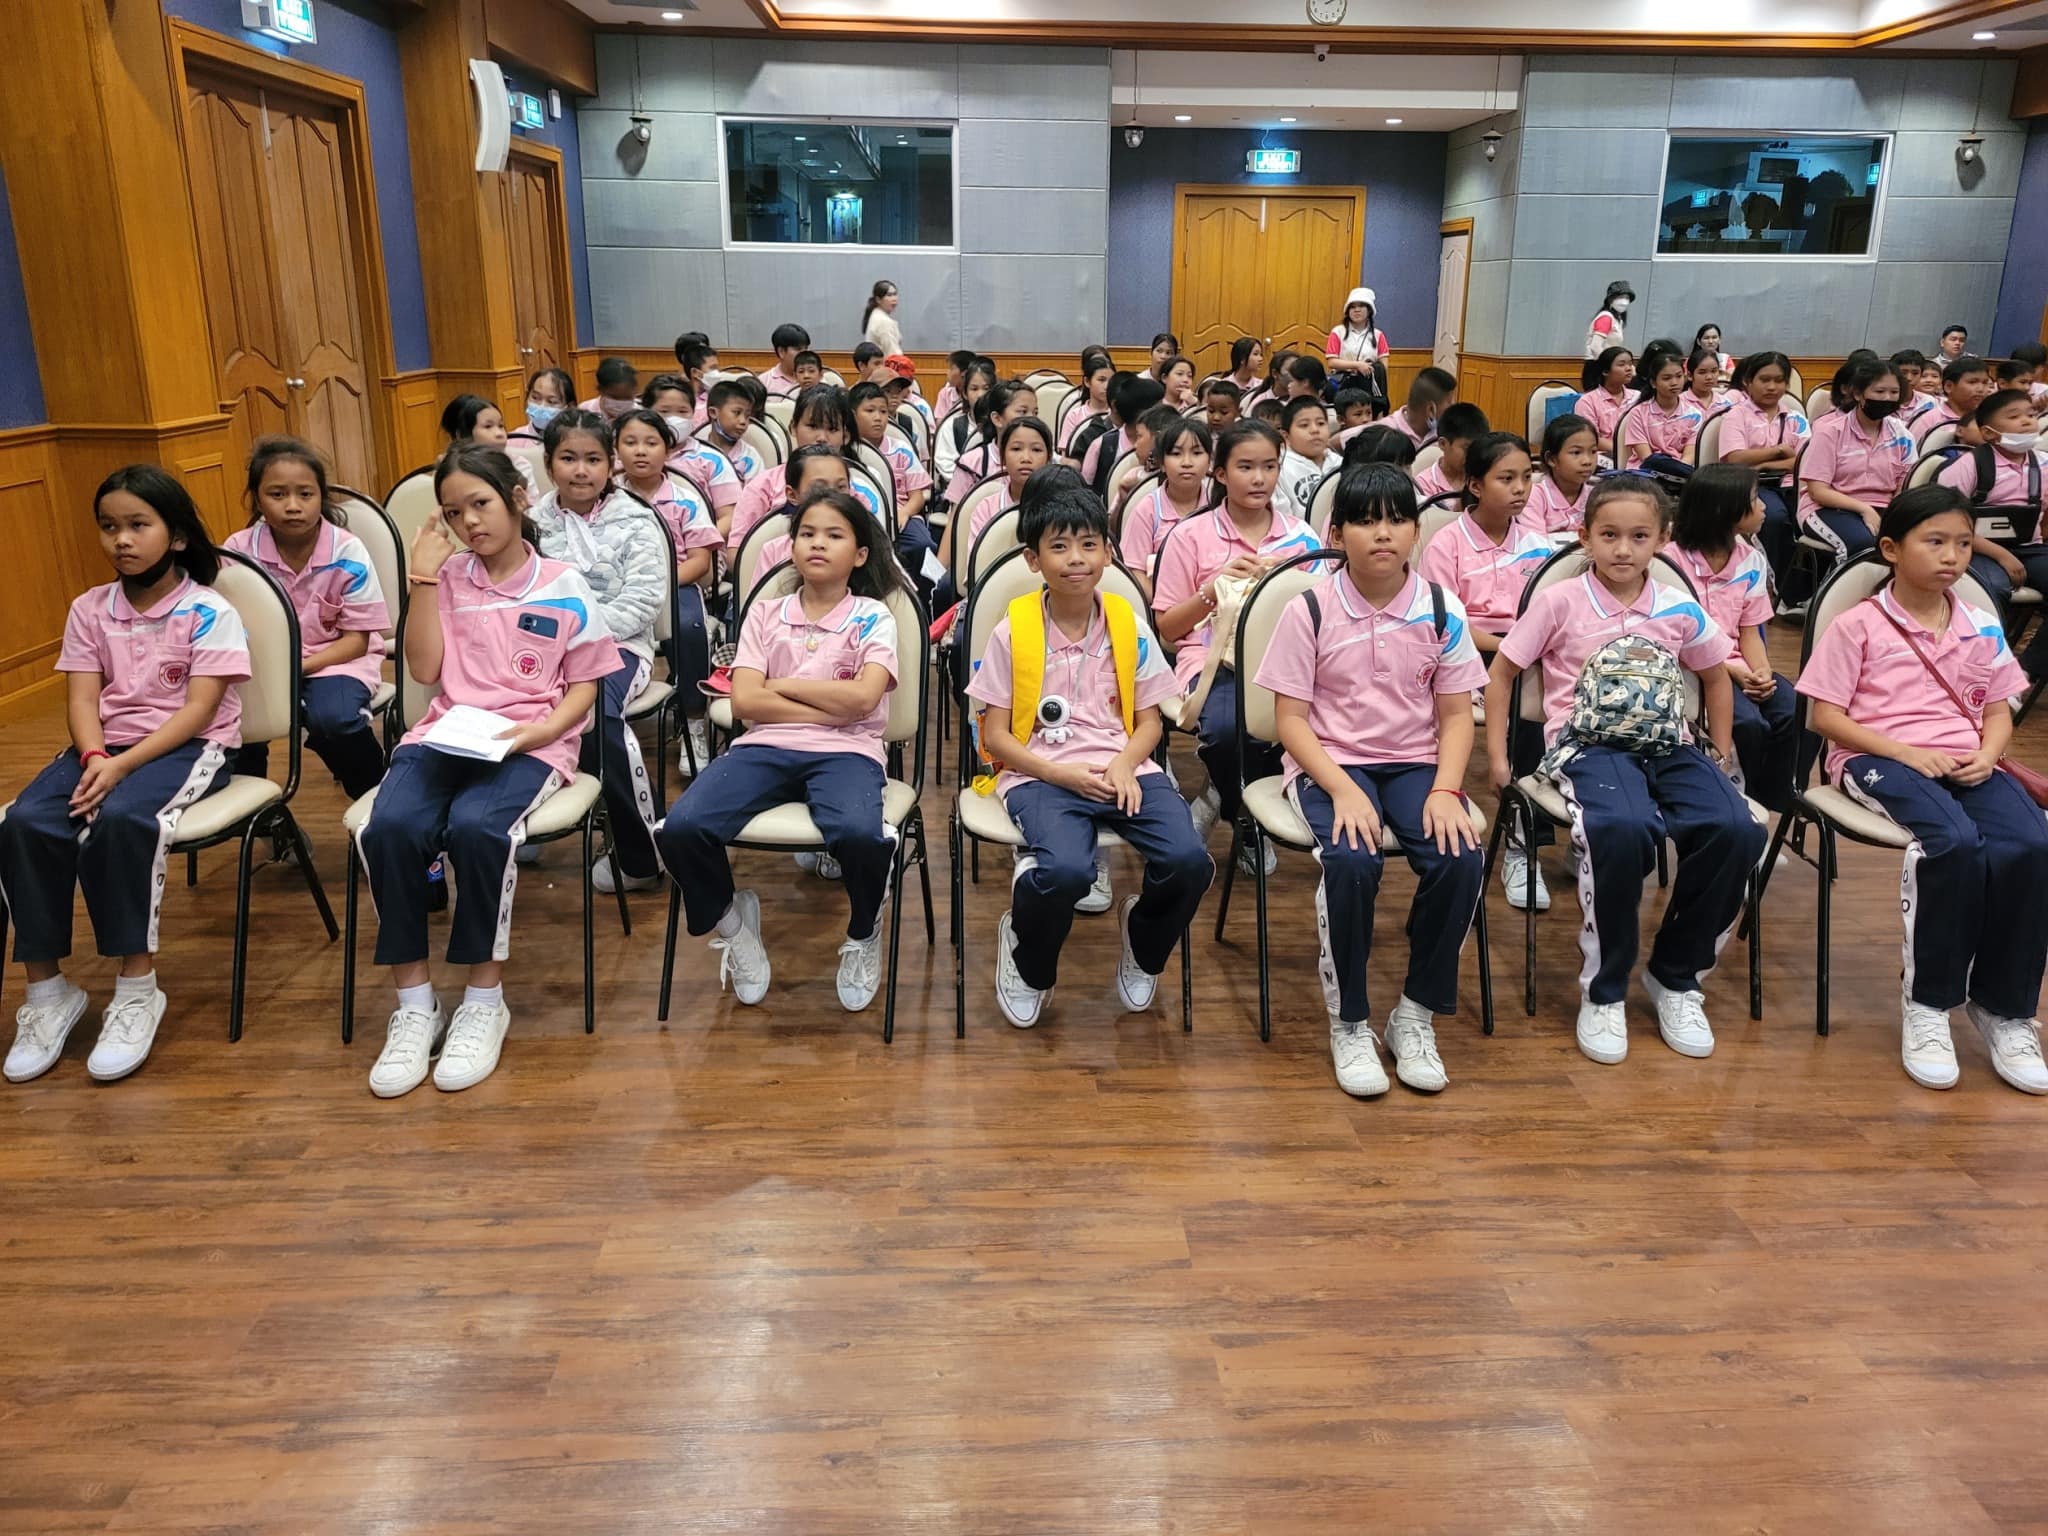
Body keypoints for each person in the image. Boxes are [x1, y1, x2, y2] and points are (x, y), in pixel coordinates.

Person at [358, 445, 616, 1096]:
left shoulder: (561, 583)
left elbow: (585, 685)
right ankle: (415, 1007)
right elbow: (423, 670)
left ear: (518, 500)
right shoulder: (446, 579)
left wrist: (546, 731)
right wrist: (421, 581)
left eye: (480, 504)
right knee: (389, 827)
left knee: (477, 828)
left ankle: (482, 1000)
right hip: (448, 734)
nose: (469, 522)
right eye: (453, 512)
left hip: (532, 741)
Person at [1487, 475, 1762, 1066]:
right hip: (1588, 746)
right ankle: (1605, 990)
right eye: (1608, 535)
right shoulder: (1559, 601)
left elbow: (1716, 676)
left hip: (1669, 744)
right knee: (1621, 827)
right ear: (1584, 537)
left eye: (1639, 536)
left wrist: (1719, 754)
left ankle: (1676, 976)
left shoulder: (1678, 606)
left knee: (1738, 828)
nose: (1622, 549)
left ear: (1662, 539)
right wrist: (1499, 759)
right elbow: (1503, 672)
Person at [0, 466, 249, 1085]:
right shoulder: (89, 608)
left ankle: (137, 989)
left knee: (122, 820)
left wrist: (120, 767)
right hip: (102, 748)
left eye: (138, 525)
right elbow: (83, 699)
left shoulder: (208, 610)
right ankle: (48, 992)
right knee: (24, 822)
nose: (122, 540)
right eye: (109, 527)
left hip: (187, 747)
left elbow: (198, 711)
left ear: (178, 536)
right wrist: (93, 758)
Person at [1797, 484, 2047, 1093]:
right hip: (1876, 757)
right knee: (1952, 843)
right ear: (1891, 549)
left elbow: (1998, 709)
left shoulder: (1980, 623)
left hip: (1966, 758)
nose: (1952, 557)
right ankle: (1929, 1004)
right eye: (1935, 542)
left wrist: (1988, 755)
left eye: (1963, 544)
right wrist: (1906, 752)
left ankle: (2006, 1010)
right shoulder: (1858, 624)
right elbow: (1824, 718)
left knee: (2032, 844)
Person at [1254, 463, 1488, 1096]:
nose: (1382, 533)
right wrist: (1342, 788)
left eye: (1397, 519)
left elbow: (1456, 716)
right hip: (1331, 761)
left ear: (1416, 531)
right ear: (1337, 533)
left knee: (1461, 856)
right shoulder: (1309, 608)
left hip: (1415, 762)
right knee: (1353, 859)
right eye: (1364, 521)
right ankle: (1350, 1022)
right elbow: (1290, 720)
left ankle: (1414, 1014)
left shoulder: (1440, 608)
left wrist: (1446, 789)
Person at [967, 471, 1212, 1029]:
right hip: (1040, 774)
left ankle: (1144, 943)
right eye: (1059, 547)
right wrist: (1061, 775)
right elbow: (996, 736)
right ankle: (1028, 959)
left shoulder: (1129, 625)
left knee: (1188, 861)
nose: (1075, 558)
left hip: (1125, 768)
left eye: (1088, 544)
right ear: (1033, 560)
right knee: (1067, 872)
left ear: (1108, 552)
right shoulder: (1013, 630)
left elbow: (1150, 723)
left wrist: (1124, 763)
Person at [658, 489, 908, 1014]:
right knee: (681, 828)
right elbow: (746, 702)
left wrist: (784, 685)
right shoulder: (766, 613)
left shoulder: (873, 617)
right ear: (791, 546)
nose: (817, 544)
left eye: (834, 535)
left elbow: (864, 700)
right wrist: (830, 705)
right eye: (807, 533)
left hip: (848, 751)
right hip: (764, 746)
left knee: (860, 836)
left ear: (860, 554)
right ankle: (733, 924)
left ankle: (864, 931)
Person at [1153, 420, 1321, 863]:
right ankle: (1245, 815)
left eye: (1269, 466)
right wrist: (1212, 589)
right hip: (1214, 663)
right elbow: (1168, 629)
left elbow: (1325, 617)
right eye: (1245, 467)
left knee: (1322, 726)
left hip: (1289, 665)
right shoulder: (1189, 536)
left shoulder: (1302, 538)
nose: (1259, 478)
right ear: (1221, 474)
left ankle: (1223, 795)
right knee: (1228, 734)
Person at [527, 411, 668, 897]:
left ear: (611, 465)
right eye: (568, 458)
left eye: (593, 459)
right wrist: (552, 645)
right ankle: (525, 817)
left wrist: (578, 639)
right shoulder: (530, 525)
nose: (581, 470)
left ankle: (642, 853)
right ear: (549, 463)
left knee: (592, 716)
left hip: (618, 647)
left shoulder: (637, 521)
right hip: (541, 650)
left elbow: (643, 601)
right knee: (510, 705)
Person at [222, 437, 389, 801]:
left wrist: (299, 668)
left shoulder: (346, 550)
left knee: (334, 719)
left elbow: (356, 641)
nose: (293, 506)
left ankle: (379, 797)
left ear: (321, 496)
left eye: (305, 494)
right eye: (277, 494)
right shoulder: (237, 551)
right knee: (232, 724)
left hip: (337, 661)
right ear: (257, 499)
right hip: (261, 667)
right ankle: (260, 815)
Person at [1668, 464, 1795, 813]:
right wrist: (1735, 672)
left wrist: (1761, 670)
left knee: (1794, 710)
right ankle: (1737, 799)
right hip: (1690, 666)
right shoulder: (1670, 561)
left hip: (1737, 664)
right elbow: (1675, 639)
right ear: (1724, 510)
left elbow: (1750, 631)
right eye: (1755, 499)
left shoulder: (1751, 559)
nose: (1764, 507)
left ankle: (1770, 801)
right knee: (1748, 723)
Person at [614, 409, 722, 771]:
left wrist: (651, 585)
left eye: (651, 443)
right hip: (617, 590)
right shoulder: (608, 499)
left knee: (689, 627)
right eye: (630, 442)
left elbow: (699, 562)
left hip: (673, 585)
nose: (640, 451)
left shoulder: (685, 499)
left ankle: (693, 720)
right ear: (616, 449)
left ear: (668, 449)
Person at [1938, 389, 2048, 681]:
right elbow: (1945, 519)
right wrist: (2000, 554)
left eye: (2031, 415)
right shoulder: (1969, 464)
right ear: (1989, 433)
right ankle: (1979, 667)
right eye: (2014, 416)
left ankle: (2023, 672)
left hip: (2028, 546)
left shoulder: (2043, 463)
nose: (2027, 421)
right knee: (1990, 588)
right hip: (1973, 548)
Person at [1417, 430, 1548, 655]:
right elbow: (1444, 624)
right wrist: (1510, 650)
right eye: (1507, 478)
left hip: (1527, 650)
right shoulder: (1445, 547)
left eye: (1527, 477)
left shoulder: (1538, 546)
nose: (1520, 488)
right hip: (1465, 652)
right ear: (1476, 487)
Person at [1798, 358, 1914, 564]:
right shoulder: (1830, 432)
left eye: (1894, 392)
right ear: (1858, 394)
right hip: (1828, 508)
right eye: (1879, 391)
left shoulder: (1902, 434)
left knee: (1913, 543)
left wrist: (1893, 516)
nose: (1887, 398)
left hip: (1884, 508)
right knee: (1864, 545)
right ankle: (1839, 587)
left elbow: (1904, 487)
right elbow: (1818, 491)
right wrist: (1864, 509)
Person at [1719, 352, 1810, 594]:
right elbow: (1736, 458)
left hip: (1792, 484)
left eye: (1779, 380)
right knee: (1774, 518)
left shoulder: (1796, 418)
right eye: (1764, 380)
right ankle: (1786, 591)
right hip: (1751, 485)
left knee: (1807, 516)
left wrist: (1765, 464)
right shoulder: (1736, 415)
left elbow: (1806, 460)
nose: (1772, 387)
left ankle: (1811, 587)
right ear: (1748, 381)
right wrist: (1779, 451)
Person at [1119, 416, 1213, 593]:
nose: (1187, 462)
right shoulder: (1147, 510)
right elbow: (1134, 571)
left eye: (1197, 453)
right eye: (1176, 454)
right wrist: (1165, 603)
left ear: (1209, 461)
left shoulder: (1219, 505)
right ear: (1162, 463)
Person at [1623, 350, 1701, 477]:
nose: (1674, 382)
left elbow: (1688, 458)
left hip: (1679, 475)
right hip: (1644, 473)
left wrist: (1676, 474)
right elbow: (1646, 457)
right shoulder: (1638, 413)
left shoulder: (1694, 415)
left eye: (1679, 376)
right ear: (1653, 383)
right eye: (1667, 378)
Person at [1528, 413, 1600, 534]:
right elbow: (1534, 541)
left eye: (1593, 451)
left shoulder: (1596, 497)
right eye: (1576, 452)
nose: (1587, 461)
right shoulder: (1534, 497)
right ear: (1551, 459)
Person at [1274, 394, 1341, 523]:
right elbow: (1282, 519)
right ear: (1286, 436)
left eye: (1321, 423)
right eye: (1304, 425)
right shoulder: (1280, 468)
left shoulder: (1340, 463)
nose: (1315, 430)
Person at [1325, 286, 1391, 405]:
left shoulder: (1378, 335)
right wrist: (1358, 365)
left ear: (1369, 310)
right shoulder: (1338, 332)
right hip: (1344, 385)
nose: (1357, 310)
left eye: (1361, 306)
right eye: (1353, 307)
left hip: (1368, 387)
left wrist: (1368, 369)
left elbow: (1383, 366)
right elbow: (1332, 362)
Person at [1911, 355, 1995, 448]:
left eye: (1985, 383)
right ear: (1949, 386)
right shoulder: (1929, 420)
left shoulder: (1991, 419)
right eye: (1972, 382)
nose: (1981, 389)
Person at [1414, 403, 1490, 502]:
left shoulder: (1485, 478)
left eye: (1478, 448)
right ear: (1443, 444)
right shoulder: (1423, 484)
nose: (1473, 455)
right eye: (1467, 448)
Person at [1576, 347, 1637, 462]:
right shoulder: (1587, 401)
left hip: (1636, 452)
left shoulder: (1637, 397)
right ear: (1605, 371)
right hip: (1604, 456)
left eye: (1630, 364)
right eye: (1622, 364)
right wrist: (1623, 451)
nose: (1629, 368)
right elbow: (1590, 438)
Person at [1060, 348, 1115, 454]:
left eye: (1111, 380)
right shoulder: (1074, 416)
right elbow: (1066, 454)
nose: (1107, 386)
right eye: (1101, 380)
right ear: (1087, 381)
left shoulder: (1118, 414)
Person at [1389, 366, 1457, 448]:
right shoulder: (1383, 434)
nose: (1454, 408)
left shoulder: (1448, 436)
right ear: (1431, 410)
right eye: (1449, 402)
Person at [509, 366, 572, 445]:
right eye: (535, 397)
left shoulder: (576, 442)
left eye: (552, 401)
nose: (542, 406)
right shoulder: (514, 439)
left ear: (567, 407)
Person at [1583, 280, 1634, 360]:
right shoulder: (1606, 318)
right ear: (1610, 300)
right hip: (1597, 363)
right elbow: (1595, 347)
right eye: (1620, 297)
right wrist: (1609, 363)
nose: (1624, 302)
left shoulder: (1618, 320)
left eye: (1627, 298)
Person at [580, 357, 639, 422]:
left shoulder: (639, 414)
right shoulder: (585, 410)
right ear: (601, 390)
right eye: (615, 397)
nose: (620, 403)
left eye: (627, 397)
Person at [758, 323, 811, 397]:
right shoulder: (763, 382)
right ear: (781, 352)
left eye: (806, 349)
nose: (805, 354)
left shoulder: (816, 379)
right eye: (798, 349)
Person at [1682, 347, 1727, 423]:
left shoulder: (1725, 404)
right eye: (1702, 372)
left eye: (1714, 371)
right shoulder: (1679, 403)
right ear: (1690, 375)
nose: (1709, 377)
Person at [934, 348, 977, 423]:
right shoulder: (945, 393)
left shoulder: (978, 394)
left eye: (951, 369)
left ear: (964, 373)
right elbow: (939, 422)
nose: (947, 373)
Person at [862, 280, 902, 355]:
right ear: (878, 299)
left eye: (895, 294)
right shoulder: (884, 321)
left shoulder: (876, 314)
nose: (894, 299)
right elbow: (893, 354)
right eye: (889, 295)